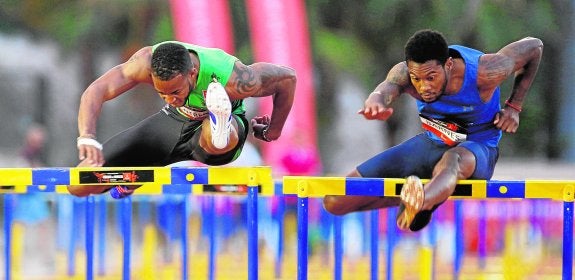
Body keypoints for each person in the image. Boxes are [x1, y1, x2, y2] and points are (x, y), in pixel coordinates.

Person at [323, 29, 543, 232]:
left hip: (476, 149)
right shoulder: (405, 74)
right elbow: (386, 89)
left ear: (448, 65)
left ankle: (424, 201)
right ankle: (417, 196)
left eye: (431, 78)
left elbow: (534, 46)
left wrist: (514, 106)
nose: (424, 87)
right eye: (417, 79)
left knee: (452, 161)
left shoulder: (485, 71)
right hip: (431, 143)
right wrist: (376, 101)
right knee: (335, 201)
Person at [67, 41, 296, 198]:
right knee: (78, 184)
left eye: (175, 92)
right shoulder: (145, 62)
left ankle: (220, 123)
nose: (170, 98)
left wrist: (272, 132)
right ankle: (135, 177)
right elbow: (97, 90)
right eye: (162, 93)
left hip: (218, 135)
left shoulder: (236, 79)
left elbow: (287, 78)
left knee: (213, 137)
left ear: (193, 73)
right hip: (172, 123)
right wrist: (86, 136)